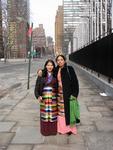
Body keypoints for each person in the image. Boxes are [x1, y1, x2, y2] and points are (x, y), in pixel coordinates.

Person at [55, 54, 79, 135]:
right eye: (58, 60)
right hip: (59, 95)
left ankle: (69, 129)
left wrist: (75, 94)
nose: (60, 61)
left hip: (68, 94)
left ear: (64, 60)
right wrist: (40, 72)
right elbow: (47, 71)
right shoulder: (56, 69)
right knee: (61, 112)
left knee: (69, 112)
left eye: (61, 59)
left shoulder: (70, 69)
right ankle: (62, 128)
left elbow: (75, 82)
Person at [34, 59, 58, 136]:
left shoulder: (55, 74)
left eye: (51, 65)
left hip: (53, 98)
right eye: (48, 65)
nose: (50, 67)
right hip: (44, 98)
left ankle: (53, 131)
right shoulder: (41, 75)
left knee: (52, 114)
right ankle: (45, 131)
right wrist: (38, 96)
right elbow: (36, 88)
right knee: (45, 115)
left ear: (53, 66)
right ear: (45, 66)